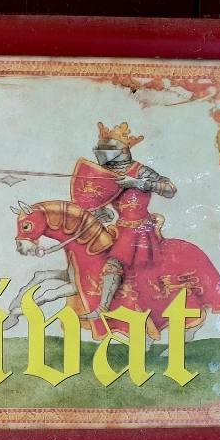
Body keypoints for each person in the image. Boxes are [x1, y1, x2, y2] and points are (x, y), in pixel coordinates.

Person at [71, 122, 176, 319]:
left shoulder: (140, 170)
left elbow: (170, 189)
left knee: (113, 264)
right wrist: (101, 211)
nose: (103, 152)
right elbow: (102, 201)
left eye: (109, 148)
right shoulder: (106, 174)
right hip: (119, 227)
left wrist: (136, 182)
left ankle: (102, 309)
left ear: (123, 150)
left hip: (140, 229)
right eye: (101, 147)